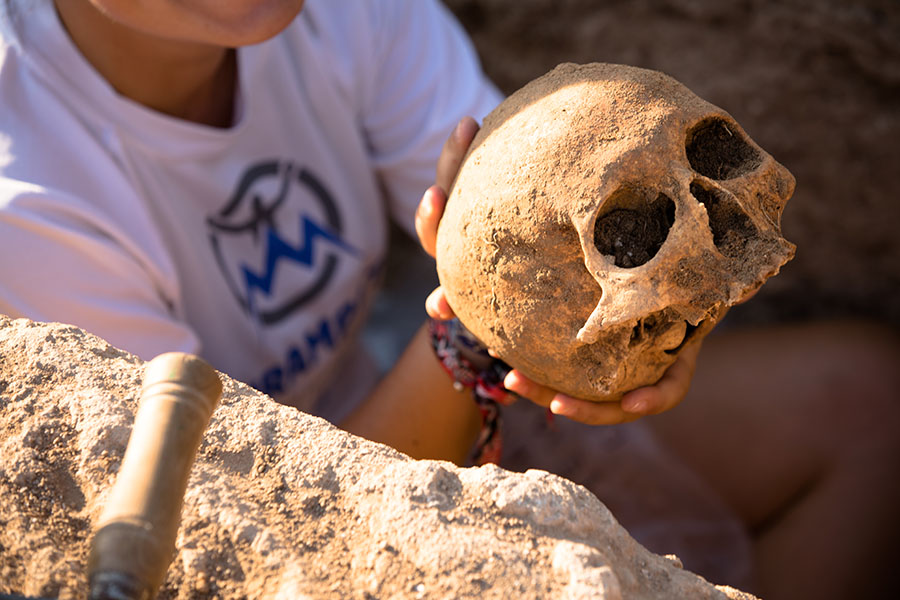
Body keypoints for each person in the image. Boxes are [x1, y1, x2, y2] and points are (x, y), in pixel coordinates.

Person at [1, 2, 898, 599]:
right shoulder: (31, 198)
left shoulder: (338, 13)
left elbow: (549, 219)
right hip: (288, 523)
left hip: (431, 373)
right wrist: (480, 343)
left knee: (866, 406)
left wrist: (659, 293)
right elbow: (255, 521)